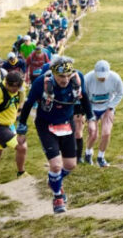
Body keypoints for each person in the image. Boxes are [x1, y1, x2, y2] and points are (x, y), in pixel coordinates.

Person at [17, 55, 92, 214]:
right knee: (56, 165)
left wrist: (91, 119)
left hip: (66, 123)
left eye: (67, 76)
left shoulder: (77, 79)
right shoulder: (41, 83)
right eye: (60, 76)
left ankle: (54, 179)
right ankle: (58, 196)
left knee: (70, 165)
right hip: (46, 124)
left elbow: (84, 97)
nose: (64, 80)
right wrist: (22, 129)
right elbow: (28, 105)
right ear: (53, 74)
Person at [83, 60, 123, 167]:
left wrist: (111, 107)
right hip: (92, 107)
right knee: (93, 134)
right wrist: (88, 112)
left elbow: (120, 93)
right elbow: (84, 96)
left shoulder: (115, 78)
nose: (102, 78)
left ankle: (101, 157)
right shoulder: (87, 78)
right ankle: (88, 153)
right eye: (99, 76)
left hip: (107, 107)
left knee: (106, 133)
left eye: (104, 76)